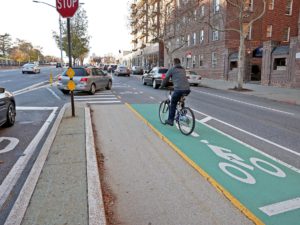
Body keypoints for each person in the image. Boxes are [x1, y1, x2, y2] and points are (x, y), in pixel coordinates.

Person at [160, 58, 190, 126]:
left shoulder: (172, 69)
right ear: (179, 63)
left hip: (179, 89)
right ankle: (182, 114)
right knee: (180, 99)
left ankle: (170, 120)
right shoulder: (183, 69)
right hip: (187, 89)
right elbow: (180, 79)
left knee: (173, 103)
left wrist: (162, 85)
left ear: (174, 63)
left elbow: (166, 78)